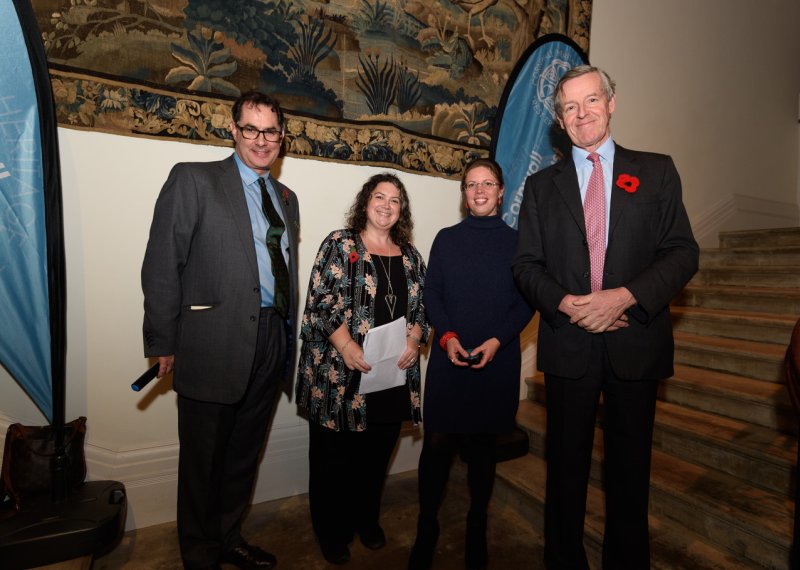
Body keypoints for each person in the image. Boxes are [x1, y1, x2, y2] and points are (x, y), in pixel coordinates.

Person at [512, 65, 699, 568]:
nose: (582, 113)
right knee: (565, 473)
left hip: (634, 343)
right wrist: (570, 305)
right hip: (569, 345)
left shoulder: (657, 171)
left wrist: (625, 296)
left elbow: (682, 252)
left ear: (611, 103)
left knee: (630, 473)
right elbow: (526, 266)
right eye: (569, 107)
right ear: (559, 119)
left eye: (591, 100)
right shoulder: (540, 187)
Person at [141, 91, 299, 570]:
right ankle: (199, 552)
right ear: (233, 129)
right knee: (203, 460)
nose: (261, 139)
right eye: (250, 128)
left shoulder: (287, 198)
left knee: (242, 455)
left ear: (282, 137)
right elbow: (163, 263)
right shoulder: (194, 180)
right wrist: (163, 340)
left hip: (272, 340)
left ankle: (229, 536)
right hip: (212, 342)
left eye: (270, 131)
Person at [295, 173, 429, 565]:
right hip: (339, 376)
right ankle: (330, 530)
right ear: (365, 201)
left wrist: (416, 336)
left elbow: (424, 308)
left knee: (375, 458)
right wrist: (346, 344)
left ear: (402, 210)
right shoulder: (340, 244)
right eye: (379, 196)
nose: (386, 205)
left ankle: (366, 520)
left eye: (395, 200)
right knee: (331, 461)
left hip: (390, 377)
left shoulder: (411, 255)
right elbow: (319, 301)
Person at [409, 158, 533, 570]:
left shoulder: (521, 243)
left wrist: (498, 340)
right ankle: (427, 527)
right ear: (464, 194)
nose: (479, 191)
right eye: (470, 185)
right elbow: (433, 294)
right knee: (438, 447)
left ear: (501, 191)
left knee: (483, 450)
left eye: (487, 184)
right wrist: (447, 337)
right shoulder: (446, 239)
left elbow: (526, 302)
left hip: (496, 362)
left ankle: (477, 526)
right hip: (449, 358)